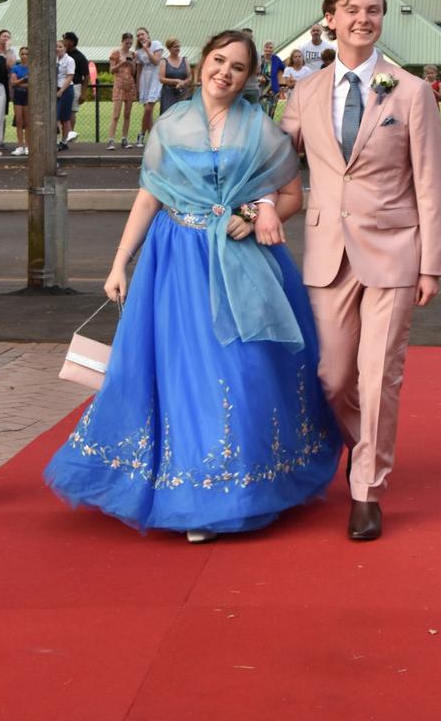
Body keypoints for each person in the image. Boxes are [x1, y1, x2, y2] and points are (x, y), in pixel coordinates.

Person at [44, 29, 341, 542]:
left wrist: (254, 212)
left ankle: (244, 482)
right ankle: (193, 490)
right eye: (219, 61)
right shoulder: (170, 124)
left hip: (242, 262)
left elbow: (292, 194)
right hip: (175, 261)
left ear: (249, 77)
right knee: (183, 371)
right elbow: (148, 197)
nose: (225, 72)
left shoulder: (262, 130)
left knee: (244, 368)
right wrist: (120, 263)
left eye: (238, 67)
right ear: (203, 64)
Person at [281, 0, 441, 541]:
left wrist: (431, 264)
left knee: (380, 376)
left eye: (374, 10)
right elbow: (276, 168)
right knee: (331, 378)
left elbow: (430, 183)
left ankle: (366, 488)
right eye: (352, 9)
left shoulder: (409, 91)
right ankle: (363, 444)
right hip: (328, 252)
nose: (363, 18)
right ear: (329, 18)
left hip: (396, 252)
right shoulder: (304, 91)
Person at [107, 33, 137, 150]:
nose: (129, 45)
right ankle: (111, 140)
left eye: (130, 43)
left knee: (127, 114)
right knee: (116, 115)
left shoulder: (133, 54)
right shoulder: (116, 53)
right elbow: (111, 70)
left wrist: (132, 64)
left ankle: (124, 138)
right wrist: (122, 63)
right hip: (119, 86)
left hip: (130, 86)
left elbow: (134, 72)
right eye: (127, 43)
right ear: (122, 41)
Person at [135, 27, 163, 147]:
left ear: (148, 34)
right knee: (149, 111)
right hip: (145, 80)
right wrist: (138, 86)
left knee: (148, 109)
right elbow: (139, 70)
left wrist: (147, 49)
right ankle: (152, 138)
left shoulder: (156, 44)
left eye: (142, 34)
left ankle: (141, 134)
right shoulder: (138, 52)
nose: (140, 37)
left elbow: (156, 61)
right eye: (138, 35)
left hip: (155, 78)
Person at [62, 32, 89, 143]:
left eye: (65, 39)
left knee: (72, 111)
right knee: (61, 111)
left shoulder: (80, 57)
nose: (63, 41)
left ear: (71, 42)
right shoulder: (62, 54)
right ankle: (63, 135)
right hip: (61, 86)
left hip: (75, 86)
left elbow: (86, 76)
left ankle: (70, 134)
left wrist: (83, 93)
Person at [159, 37, 191, 114]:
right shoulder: (164, 61)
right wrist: (176, 81)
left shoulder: (185, 60)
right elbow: (161, 79)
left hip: (183, 93)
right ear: (169, 48)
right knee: (167, 114)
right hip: (168, 94)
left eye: (178, 46)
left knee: (182, 115)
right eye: (175, 47)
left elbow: (190, 77)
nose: (178, 48)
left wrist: (183, 83)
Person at [56, 39, 75, 151]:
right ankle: (57, 140)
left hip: (65, 89)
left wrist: (61, 90)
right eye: (56, 47)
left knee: (64, 117)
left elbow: (69, 76)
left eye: (60, 47)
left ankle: (63, 141)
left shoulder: (69, 60)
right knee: (56, 116)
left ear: (65, 48)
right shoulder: (54, 59)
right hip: (55, 88)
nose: (58, 49)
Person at [10, 46, 29, 155]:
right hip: (18, 96)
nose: (24, 56)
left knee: (27, 122)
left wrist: (19, 82)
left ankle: (27, 146)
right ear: (19, 55)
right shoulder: (15, 68)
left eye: (27, 54)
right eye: (22, 54)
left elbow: (31, 85)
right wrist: (24, 79)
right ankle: (20, 146)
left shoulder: (32, 68)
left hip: (28, 96)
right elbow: (13, 83)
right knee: (19, 121)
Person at [258, 40, 284, 116]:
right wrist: (258, 77)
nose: (268, 49)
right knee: (261, 110)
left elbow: (285, 69)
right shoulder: (259, 59)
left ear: (273, 49)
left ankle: (268, 126)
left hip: (273, 90)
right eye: (267, 47)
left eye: (271, 48)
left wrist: (284, 84)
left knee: (271, 111)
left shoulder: (276, 59)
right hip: (260, 89)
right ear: (263, 48)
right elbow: (251, 72)